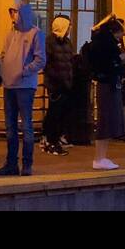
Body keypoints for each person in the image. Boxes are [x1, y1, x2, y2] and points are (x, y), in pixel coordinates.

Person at [0, 3, 45, 177]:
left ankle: (26, 164)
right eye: (12, 13)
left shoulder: (35, 33)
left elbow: (40, 59)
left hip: (24, 85)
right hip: (9, 84)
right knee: (10, 127)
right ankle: (11, 163)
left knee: (26, 125)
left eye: (15, 12)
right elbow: (3, 54)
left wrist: (23, 72)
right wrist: (5, 70)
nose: (13, 16)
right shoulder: (11, 33)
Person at [84, 14, 125, 170]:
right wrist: (121, 61)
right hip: (108, 84)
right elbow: (111, 64)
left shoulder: (100, 43)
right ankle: (100, 158)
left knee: (106, 120)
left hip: (105, 83)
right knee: (106, 120)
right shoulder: (108, 46)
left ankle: (101, 157)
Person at [43, 14, 75, 156]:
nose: (70, 29)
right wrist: (53, 79)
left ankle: (54, 140)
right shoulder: (49, 42)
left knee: (61, 114)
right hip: (55, 84)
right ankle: (51, 141)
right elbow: (47, 63)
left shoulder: (67, 42)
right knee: (54, 114)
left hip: (66, 83)